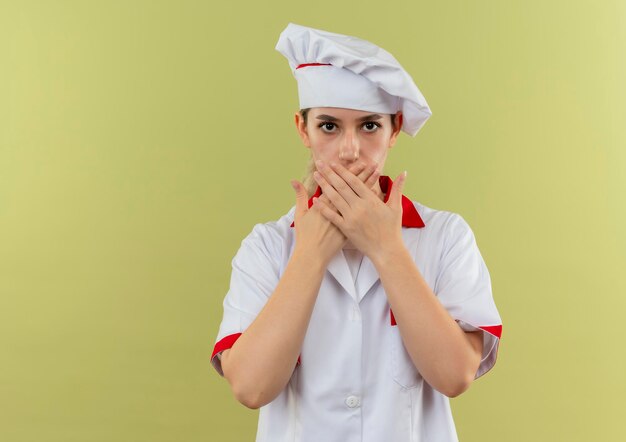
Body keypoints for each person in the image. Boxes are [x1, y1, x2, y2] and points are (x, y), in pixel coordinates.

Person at [210, 23, 503, 442]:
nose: (350, 149)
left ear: (394, 129)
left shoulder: (446, 236)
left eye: (369, 126)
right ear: (302, 130)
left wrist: (386, 249)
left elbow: (455, 376)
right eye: (329, 126)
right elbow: (252, 388)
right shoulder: (268, 246)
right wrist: (310, 255)